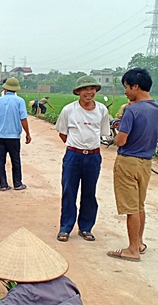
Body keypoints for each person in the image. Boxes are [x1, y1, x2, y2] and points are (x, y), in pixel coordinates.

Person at [107, 68, 158, 262]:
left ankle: (132, 250)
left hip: (128, 162)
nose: (125, 92)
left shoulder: (131, 110)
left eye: (127, 87)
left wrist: (117, 132)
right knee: (139, 205)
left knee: (130, 208)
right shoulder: (157, 108)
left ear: (135, 86)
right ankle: (139, 242)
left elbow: (121, 141)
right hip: (146, 163)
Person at [55, 75, 110, 243]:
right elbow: (63, 133)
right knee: (69, 191)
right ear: (78, 91)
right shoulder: (68, 110)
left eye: (92, 88)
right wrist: (76, 147)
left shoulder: (101, 110)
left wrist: (87, 149)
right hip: (73, 156)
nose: (89, 92)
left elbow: (102, 133)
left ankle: (86, 227)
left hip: (93, 157)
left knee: (89, 193)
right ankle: (65, 227)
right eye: (85, 89)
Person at [0, 77, 31, 191]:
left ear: (5, 88)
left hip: (0, 136)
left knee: (0, 161)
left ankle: (3, 185)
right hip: (13, 137)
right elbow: (23, 119)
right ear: (16, 89)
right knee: (15, 160)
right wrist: (27, 133)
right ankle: (17, 183)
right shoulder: (19, 101)